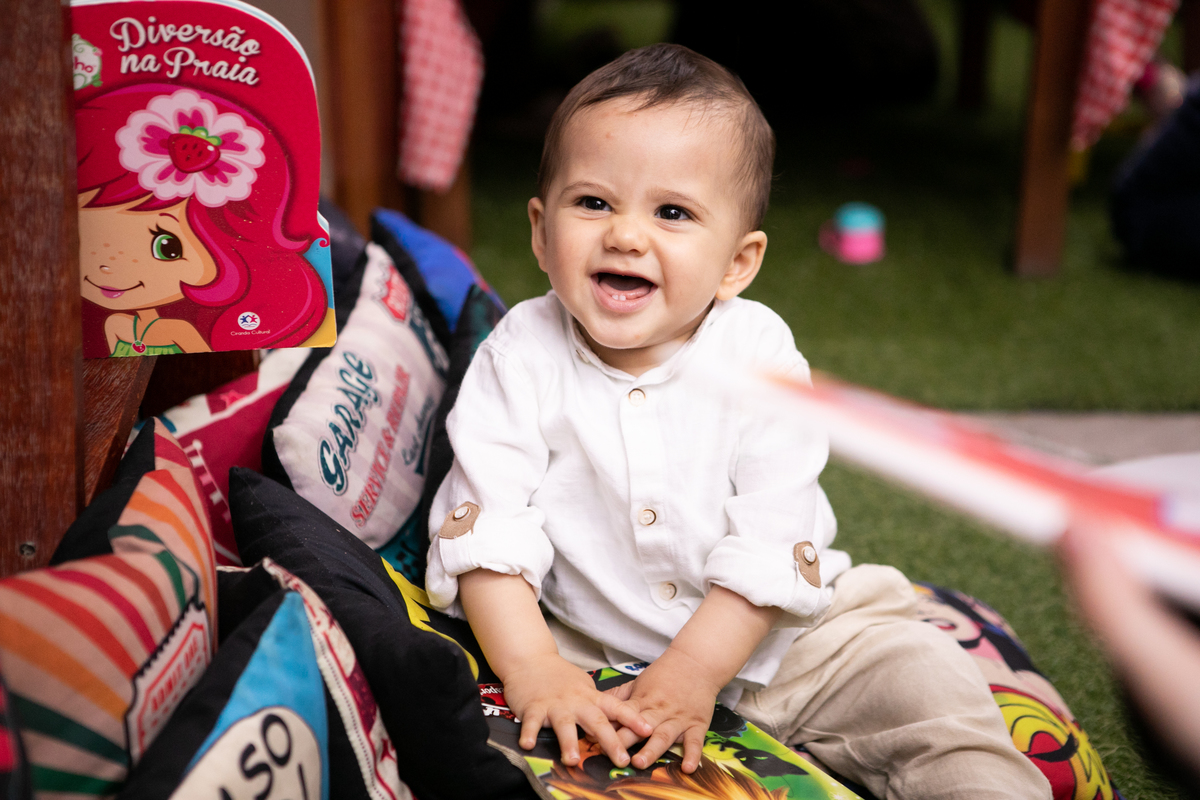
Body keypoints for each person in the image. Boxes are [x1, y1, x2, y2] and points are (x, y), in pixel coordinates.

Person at [426, 44, 1051, 799]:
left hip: (793, 645)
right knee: (501, 744)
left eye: (672, 213)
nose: (625, 235)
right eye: (592, 203)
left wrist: (693, 672)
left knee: (926, 681)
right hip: (597, 660)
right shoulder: (517, 356)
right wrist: (534, 671)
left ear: (737, 263)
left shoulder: (760, 356)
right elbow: (490, 535)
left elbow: (770, 539)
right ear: (539, 231)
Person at [76, 85, 329, 357]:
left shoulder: (177, 330)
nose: (106, 268)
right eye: (85, 236)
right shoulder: (115, 324)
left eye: (166, 247)